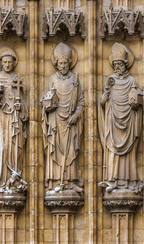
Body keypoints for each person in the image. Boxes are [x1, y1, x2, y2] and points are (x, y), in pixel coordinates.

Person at [99, 43, 143, 193]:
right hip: (113, 121)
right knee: (112, 150)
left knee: (128, 154)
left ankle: (129, 181)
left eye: (120, 64)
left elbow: (136, 99)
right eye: (116, 64)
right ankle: (112, 179)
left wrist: (135, 104)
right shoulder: (110, 81)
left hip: (128, 121)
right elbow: (103, 102)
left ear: (126, 65)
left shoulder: (131, 81)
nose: (118, 67)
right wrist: (105, 95)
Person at [41, 43, 84, 193]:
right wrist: (46, 105)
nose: (63, 66)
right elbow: (47, 98)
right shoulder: (52, 79)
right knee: (55, 148)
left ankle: (71, 182)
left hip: (70, 121)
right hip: (55, 120)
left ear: (70, 63)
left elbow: (81, 101)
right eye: (60, 63)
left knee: (71, 150)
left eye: (65, 63)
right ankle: (54, 181)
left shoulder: (75, 80)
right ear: (56, 64)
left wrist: (77, 114)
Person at [0, 50, 28, 193]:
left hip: (13, 120)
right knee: (0, 147)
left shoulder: (17, 80)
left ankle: (13, 176)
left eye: (10, 62)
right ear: (0, 63)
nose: (8, 65)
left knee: (12, 148)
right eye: (5, 62)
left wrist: (20, 106)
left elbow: (24, 105)